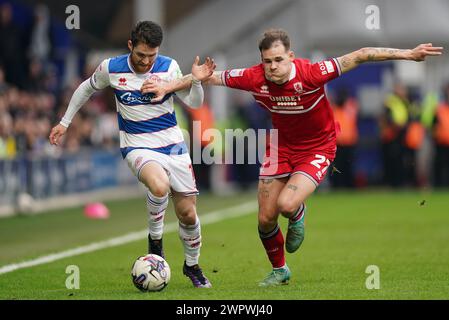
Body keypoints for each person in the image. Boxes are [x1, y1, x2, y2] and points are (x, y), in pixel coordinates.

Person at [141, 28, 443, 286]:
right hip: (280, 147)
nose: (272, 67)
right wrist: (168, 85)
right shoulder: (253, 77)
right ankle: (280, 270)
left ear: (291, 56)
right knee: (264, 218)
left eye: (278, 59)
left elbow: (362, 53)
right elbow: (208, 77)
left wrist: (409, 54)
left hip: (318, 146)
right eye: (267, 61)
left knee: (286, 205)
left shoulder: (312, 73)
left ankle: (297, 213)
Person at [49, 21, 216, 288]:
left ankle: (192, 266)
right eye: (141, 55)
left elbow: (194, 102)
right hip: (137, 145)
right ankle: (156, 245)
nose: (147, 61)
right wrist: (65, 122)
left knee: (187, 215)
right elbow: (85, 88)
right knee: (159, 185)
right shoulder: (111, 68)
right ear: (130, 46)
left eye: (152, 55)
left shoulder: (169, 67)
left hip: (173, 147)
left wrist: (195, 80)